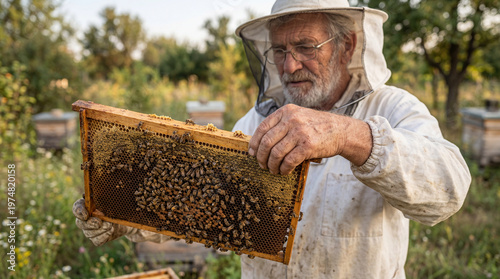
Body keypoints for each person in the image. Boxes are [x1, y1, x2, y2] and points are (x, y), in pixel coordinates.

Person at [73, 0, 471, 278]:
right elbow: (206, 202)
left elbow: (450, 188)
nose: (289, 64)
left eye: (305, 47)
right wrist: (126, 212)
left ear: (347, 44)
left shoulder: (393, 108)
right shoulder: (259, 120)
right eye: (279, 50)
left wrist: (350, 136)